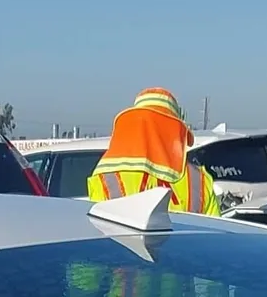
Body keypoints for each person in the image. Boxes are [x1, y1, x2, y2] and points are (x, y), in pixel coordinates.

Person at [86, 88, 222, 216]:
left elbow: (98, 227)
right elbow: (216, 230)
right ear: (174, 130)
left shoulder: (106, 177)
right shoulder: (199, 180)